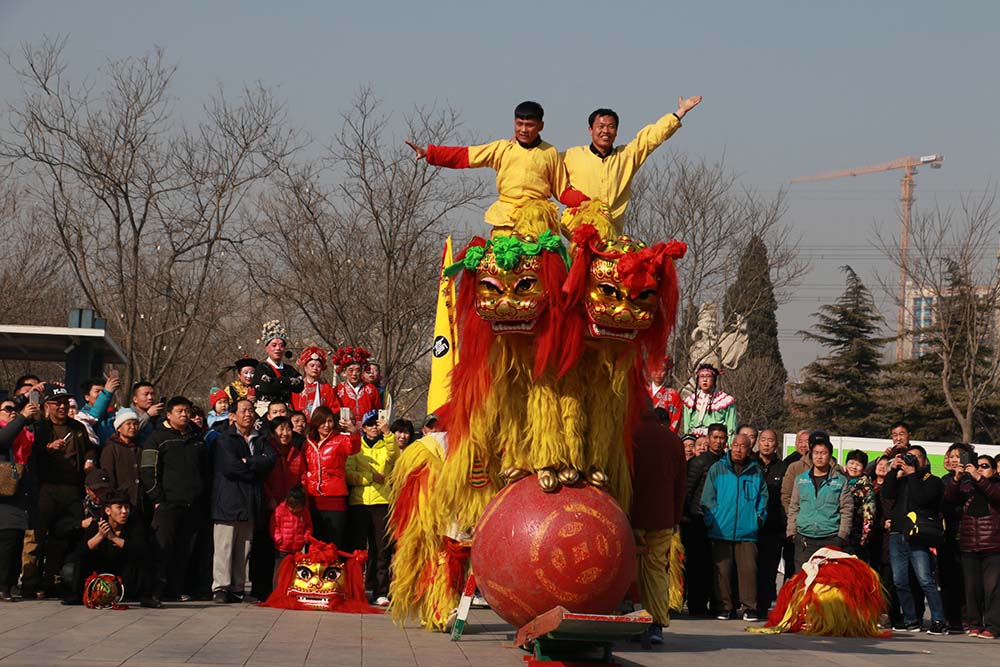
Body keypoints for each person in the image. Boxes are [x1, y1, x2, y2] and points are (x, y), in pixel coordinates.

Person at [405, 100, 584, 235]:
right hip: (505, 219)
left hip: (537, 222)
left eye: (529, 125)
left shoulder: (550, 152)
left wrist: (588, 201)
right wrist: (430, 153)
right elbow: (467, 156)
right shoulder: (502, 148)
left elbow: (562, 191)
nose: (523, 129)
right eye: (519, 124)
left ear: (540, 126)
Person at [561, 96, 702, 234]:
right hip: (580, 235)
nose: (606, 131)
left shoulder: (626, 156)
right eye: (601, 126)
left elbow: (651, 137)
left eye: (611, 127)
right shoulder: (571, 156)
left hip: (613, 236)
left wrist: (680, 112)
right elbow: (549, 167)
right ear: (590, 130)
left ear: (616, 132)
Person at [140, 395, 207, 603]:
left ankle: (176, 589)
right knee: (162, 549)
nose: (185, 415)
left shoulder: (197, 438)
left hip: (192, 504)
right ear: (168, 415)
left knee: (184, 550)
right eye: (180, 411)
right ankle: (154, 591)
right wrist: (157, 498)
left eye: (187, 411)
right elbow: (147, 470)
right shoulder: (157, 438)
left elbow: (205, 469)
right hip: (167, 504)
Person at [32, 384, 95, 598]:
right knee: (39, 536)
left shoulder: (77, 428)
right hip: (46, 488)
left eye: (65, 403)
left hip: (72, 489)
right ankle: (35, 582)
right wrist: (48, 449)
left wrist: (89, 460)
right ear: (47, 406)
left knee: (67, 534)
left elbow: (90, 450)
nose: (61, 407)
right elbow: (31, 454)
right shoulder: (40, 428)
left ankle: (61, 580)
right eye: (57, 403)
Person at [210, 398, 275, 603]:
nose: (248, 414)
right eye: (243, 410)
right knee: (224, 547)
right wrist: (255, 469)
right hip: (228, 500)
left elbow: (270, 460)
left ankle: (238, 587)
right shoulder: (225, 439)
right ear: (233, 415)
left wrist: (249, 462)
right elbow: (231, 467)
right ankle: (221, 587)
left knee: (244, 548)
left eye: (251, 410)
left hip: (250, 501)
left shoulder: (260, 438)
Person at [630, 409, 686, 643]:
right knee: (656, 570)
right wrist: (675, 518)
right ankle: (656, 624)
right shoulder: (673, 441)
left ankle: (628, 617)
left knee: (628, 568)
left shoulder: (630, 435)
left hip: (632, 514)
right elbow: (681, 485)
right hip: (662, 517)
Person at [882, 444, 948, 634]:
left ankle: (938, 620)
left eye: (916, 457)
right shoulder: (902, 478)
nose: (911, 460)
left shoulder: (933, 481)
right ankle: (910, 620)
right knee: (899, 581)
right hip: (897, 533)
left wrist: (911, 474)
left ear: (925, 461)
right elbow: (887, 493)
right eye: (908, 456)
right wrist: (893, 470)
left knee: (925, 580)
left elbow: (921, 500)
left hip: (918, 535)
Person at [700, 434, 767, 621]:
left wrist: (758, 519)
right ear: (730, 446)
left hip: (748, 530)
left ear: (749, 449)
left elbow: (763, 498)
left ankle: (749, 607)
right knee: (722, 571)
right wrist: (712, 520)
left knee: (749, 571)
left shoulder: (756, 471)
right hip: (721, 529)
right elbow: (707, 498)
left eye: (743, 446)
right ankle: (724, 607)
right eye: (735, 445)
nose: (738, 449)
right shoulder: (717, 468)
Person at [61, 488, 158, 607]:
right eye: (119, 508)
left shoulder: (135, 525)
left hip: (125, 574)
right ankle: (77, 595)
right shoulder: (97, 524)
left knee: (144, 557)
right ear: (108, 510)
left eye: (127, 507)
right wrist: (100, 536)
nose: (124, 512)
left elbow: (141, 549)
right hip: (102, 572)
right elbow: (80, 552)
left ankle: (146, 596)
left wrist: (114, 538)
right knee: (72, 568)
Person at [346, 410, 399, 606]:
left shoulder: (387, 444)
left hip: (382, 502)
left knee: (381, 548)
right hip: (359, 502)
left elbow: (394, 456)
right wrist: (370, 477)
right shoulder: (356, 446)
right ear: (363, 427)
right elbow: (349, 473)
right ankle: (355, 589)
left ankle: (380, 591)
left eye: (377, 424)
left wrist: (388, 433)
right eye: (370, 424)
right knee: (357, 548)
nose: (374, 428)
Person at [944, 454, 1000, 638]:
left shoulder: (996, 485)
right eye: (978, 465)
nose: (980, 469)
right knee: (971, 588)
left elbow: (995, 496)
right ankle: (974, 624)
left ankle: (993, 626)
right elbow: (948, 499)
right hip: (969, 544)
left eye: (985, 466)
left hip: (993, 544)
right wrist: (956, 478)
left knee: (992, 589)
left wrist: (978, 478)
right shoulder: (967, 486)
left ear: (994, 470)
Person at [786, 431, 852, 570]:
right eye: (816, 453)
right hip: (804, 539)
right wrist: (792, 532)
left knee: (829, 580)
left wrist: (842, 535)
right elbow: (794, 507)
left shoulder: (840, 480)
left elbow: (846, 509)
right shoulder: (801, 479)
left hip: (831, 538)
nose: (819, 456)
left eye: (823, 453)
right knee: (804, 579)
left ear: (830, 455)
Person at [681, 422, 727, 616]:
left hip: (721, 521)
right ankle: (696, 605)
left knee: (717, 565)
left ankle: (716, 603)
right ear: (708, 439)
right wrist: (686, 516)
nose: (718, 441)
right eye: (715, 437)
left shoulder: (727, 462)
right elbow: (688, 491)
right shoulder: (698, 462)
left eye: (722, 438)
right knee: (697, 565)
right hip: (698, 520)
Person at [302, 405, 360, 547]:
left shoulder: (340, 440)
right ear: (315, 422)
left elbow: (353, 449)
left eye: (330, 421)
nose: (326, 425)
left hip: (335, 499)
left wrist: (353, 432)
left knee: (333, 544)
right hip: (313, 498)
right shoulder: (307, 443)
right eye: (322, 421)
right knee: (314, 544)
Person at [0, 395, 38, 601]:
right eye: (7, 409)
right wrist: (22, 417)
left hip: (17, 491)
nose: (12, 412)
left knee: (15, 539)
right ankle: (2, 585)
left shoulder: (22, 434)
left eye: (15, 409)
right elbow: (3, 439)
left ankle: (10, 584)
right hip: (3, 495)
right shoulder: (7, 432)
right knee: (6, 539)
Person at [940, 442, 974, 632]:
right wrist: (956, 479)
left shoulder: (973, 481)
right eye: (951, 456)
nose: (954, 460)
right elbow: (946, 502)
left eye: (958, 456)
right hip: (948, 536)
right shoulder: (945, 480)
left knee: (967, 580)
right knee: (948, 579)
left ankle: (967, 617)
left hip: (969, 535)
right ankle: (951, 617)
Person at [99, 408, 151, 523]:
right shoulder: (111, 449)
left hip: (141, 503)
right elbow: (108, 476)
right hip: (122, 504)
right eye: (128, 424)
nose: (133, 427)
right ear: (119, 428)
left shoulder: (139, 449)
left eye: (135, 424)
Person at [754, 428, 786, 617]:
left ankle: (763, 606)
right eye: (763, 440)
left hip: (773, 527)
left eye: (770, 440)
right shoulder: (750, 464)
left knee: (769, 569)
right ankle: (748, 604)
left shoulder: (782, 468)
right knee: (750, 568)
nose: (766, 444)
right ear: (758, 442)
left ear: (776, 444)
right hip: (751, 526)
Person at [252, 321, 304, 413]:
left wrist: (275, 381)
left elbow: (299, 385)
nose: (278, 348)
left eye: (281, 345)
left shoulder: (289, 369)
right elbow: (266, 387)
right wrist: (287, 382)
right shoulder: (261, 367)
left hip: (285, 410)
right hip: (266, 411)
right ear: (266, 348)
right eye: (274, 345)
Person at [270, 485, 312, 588]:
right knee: (279, 572)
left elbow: (309, 526)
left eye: (297, 508)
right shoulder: (280, 510)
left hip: (297, 548)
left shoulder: (305, 512)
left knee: (294, 572)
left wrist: (306, 537)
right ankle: (277, 591)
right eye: (292, 507)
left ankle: (291, 590)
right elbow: (274, 526)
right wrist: (278, 539)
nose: (294, 510)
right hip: (282, 549)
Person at [682, 364, 737, 440]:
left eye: (708, 376)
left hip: (717, 440)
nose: (705, 379)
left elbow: (731, 426)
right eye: (702, 376)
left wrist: (729, 443)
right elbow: (687, 427)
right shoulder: (690, 401)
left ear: (714, 379)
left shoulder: (726, 401)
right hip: (695, 440)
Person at [333, 347, 382, 429]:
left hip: (368, 431)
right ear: (344, 372)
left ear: (362, 371)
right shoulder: (338, 390)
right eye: (351, 370)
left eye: (358, 370)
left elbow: (378, 411)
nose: (354, 374)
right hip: (345, 431)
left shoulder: (371, 389)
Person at [844, 450, 875, 562]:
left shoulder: (866, 487)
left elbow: (869, 514)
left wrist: (864, 537)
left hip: (855, 533)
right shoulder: (838, 480)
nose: (854, 467)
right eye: (851, 463)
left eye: (858, 464)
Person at [291, 347, 339, 419]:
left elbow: (334, 408)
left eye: (318, 366)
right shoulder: (298, 386)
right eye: (312, 365)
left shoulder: (326, 388)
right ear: (305, 367)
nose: (315, 368)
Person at [79, 374, 121, 444]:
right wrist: (107, 393)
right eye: (97, 391)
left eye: (103, 391)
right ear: (87, 397)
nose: (101, 394)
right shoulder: (83, 415)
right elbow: (93, 417)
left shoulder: (112, 415)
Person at [647, 356, 682, 434]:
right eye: (655, 369)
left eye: (662, 369)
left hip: (664, 434)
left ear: (666, 372)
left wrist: (667, 437)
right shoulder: (642, 392)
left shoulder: (673, 395)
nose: (658, 373)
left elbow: (675, 420)